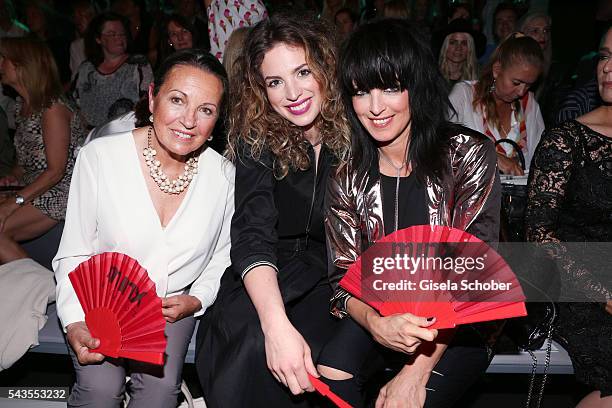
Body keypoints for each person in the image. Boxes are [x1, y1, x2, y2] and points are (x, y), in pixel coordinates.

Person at [318, 18, 501, 408]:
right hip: (382, 313)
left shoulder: (467, 155)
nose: (376, 107)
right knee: (333, 372)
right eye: (362, 92)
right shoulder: (346, 173)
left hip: (458, 325)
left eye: (390, 88)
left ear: (415, 87)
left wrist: (415, 373)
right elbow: (342, 277)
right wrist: (376, 324)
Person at [53, 49, 234, 407]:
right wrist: (74, 321)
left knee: (159, 393)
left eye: (206, 110)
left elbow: (224, 254)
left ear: (216, 120)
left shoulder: (224, 177)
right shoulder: (100, 158)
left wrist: (198, 298)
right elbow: (74, 250)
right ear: (152, 98)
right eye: (177, 100)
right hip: (101, 301)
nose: (189, 121)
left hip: (171, 306)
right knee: (99, 391)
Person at [195, 13, 351, 407]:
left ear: (326, 68)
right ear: (261, 90)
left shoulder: (358, 131)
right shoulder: (256, 137)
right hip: (265, 269)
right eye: (275, 82)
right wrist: (275, 324)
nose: (292, 93)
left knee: (319, 354)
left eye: (302, 72)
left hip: (333, 275)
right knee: (250, 341)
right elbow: (252, 231)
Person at [525, 27, 612, 408]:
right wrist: (603, 294)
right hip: (573, 286)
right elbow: (538, 234)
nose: (608, 68)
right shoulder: (567, 140)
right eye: (605, 56)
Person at [0, 37, 86, 265]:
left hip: (60, 191)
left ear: (22, 64)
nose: (0, 65)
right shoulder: (24, 106)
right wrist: (14, 177)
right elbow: (25, 161)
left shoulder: (52, 108)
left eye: (3, 59)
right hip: (34, 187)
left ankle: (44, 293)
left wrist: (14, 201)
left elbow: (56, 171)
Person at [449, 33, 545, 175]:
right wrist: (491, 156)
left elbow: (541, 159)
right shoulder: (465, 95)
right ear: (497, 70)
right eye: (516, 83)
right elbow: (442, 144)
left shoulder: (530, 105)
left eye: (528, 85)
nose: (521, 92)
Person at [73, 12, 153, 128]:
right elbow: (73, 102)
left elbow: (147, 102)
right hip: (89, 137)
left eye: (122, 34)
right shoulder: (86, 68)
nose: (119, 38)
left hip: (124, 134)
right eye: (112, 34)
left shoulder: (138, 64)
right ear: (98, 39)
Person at [434, 18, 485, 86]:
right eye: (453, 42)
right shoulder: (433, 75)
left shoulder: (478, 77)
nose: (458, 48)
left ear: (470, 48)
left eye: (464, 43)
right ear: (445, 46)